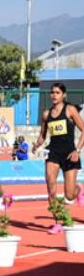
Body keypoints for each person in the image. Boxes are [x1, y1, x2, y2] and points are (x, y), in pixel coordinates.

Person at [35, 82, 84, 234]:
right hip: (54, 153)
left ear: (64, 95)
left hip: (70, 154)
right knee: (51, 186)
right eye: (52, 92)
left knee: (69, 195)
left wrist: (77, 150)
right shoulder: (46, 114)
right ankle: (57, 223)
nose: (54, 95)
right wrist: (37, 144)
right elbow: (43, 134)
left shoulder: (70, 110)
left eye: (57, 92)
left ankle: (78, 190)